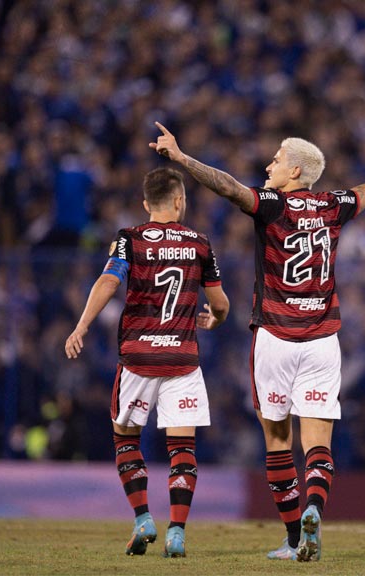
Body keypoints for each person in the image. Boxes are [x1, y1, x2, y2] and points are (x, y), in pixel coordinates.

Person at [150, 108, 365, 562]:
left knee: (278, 441)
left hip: (275, 337)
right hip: (324, 340)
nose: (269, 166)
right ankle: (313, 511)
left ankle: (292, 538)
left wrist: (183, 159)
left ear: (296, 171)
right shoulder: (334, 205)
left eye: (276, 159)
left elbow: (226, 187)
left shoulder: (272, 205)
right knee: (318, 443)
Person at [64, 167, 229, 558]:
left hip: (138, 357)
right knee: (182, 447)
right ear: (179, 201)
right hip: (182, 359)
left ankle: (142, 518)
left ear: (145, 204)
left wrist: (82, 325)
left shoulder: (129, 239)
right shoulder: (200, 243)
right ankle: (177, 532)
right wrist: (214, 319)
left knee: (125, 438)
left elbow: (108, 282)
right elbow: (220, 303)